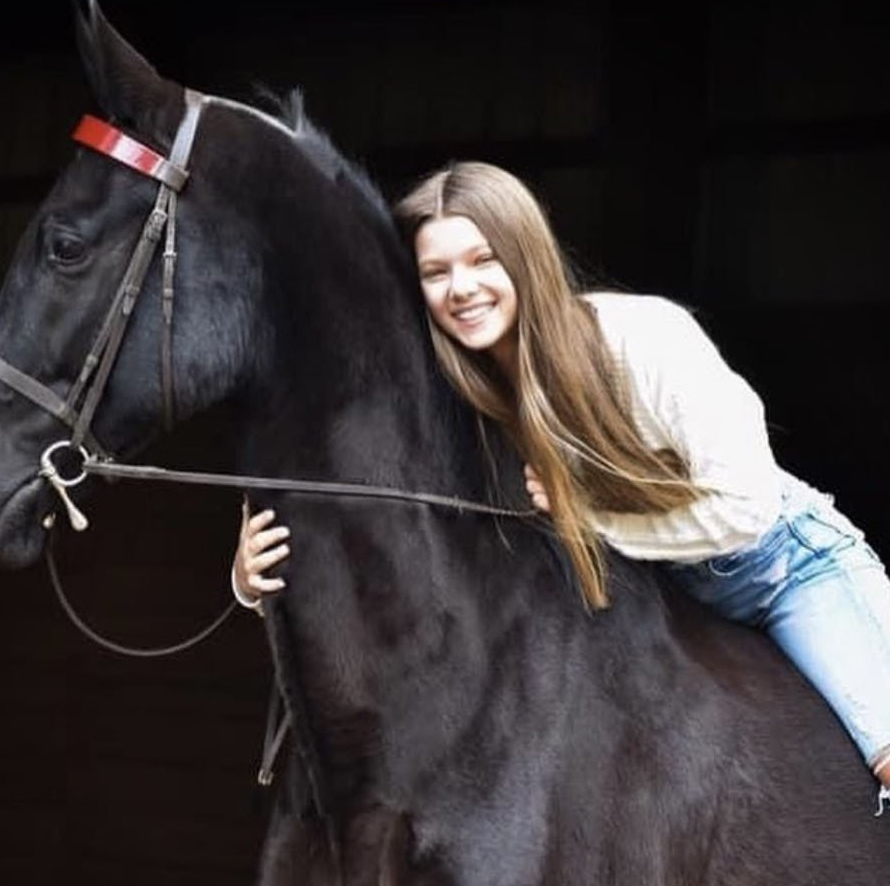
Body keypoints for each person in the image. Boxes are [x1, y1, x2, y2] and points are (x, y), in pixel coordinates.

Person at [232, 160, 890, 811]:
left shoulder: (643, 338)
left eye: (483, 259)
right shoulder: (457, 392)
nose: (461, 287)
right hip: (654, 601)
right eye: (436, 272)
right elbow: (389, 514)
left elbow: (747, 508)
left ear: (526, 255)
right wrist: (257, 577)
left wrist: (588, 515)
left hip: (782, 570)